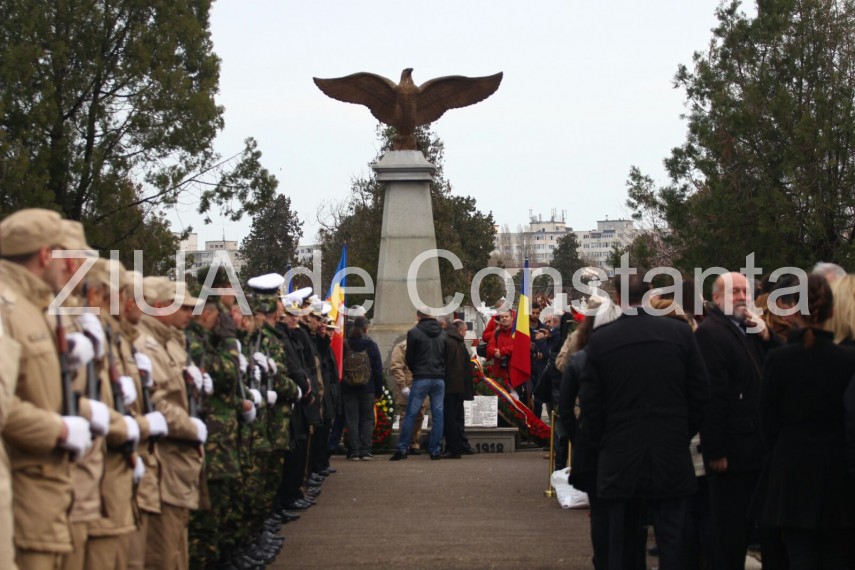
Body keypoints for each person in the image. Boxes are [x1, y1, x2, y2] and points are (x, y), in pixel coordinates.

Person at [579, 269, 709, 569]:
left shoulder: (601, 341)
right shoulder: (679, 334)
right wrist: (681, 432)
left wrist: (606, 442)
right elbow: (701, 393)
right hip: (671, 452)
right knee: (674, 538)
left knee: (623, 540)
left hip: (620, 455)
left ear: (617, 297)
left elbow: (591, 406)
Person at [0, 209, 96, 568]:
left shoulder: (37, 307)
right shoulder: (6, 306)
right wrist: (57, 428)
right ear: (45, 255)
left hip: (51, 495)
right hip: (27, 499)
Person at [750, 274, 855, 568]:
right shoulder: (846, 360)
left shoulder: (780, 361)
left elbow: (767, 420)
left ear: (795, 311)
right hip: (835, 472)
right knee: (835, 555)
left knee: (799, 555)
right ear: (832, 312)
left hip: (791, 470)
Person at [695, 272, 778, 569]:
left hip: (755, 449)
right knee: (729, 535)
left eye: (746, 291)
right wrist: (716, 451)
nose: (743, 297)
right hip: (731, 454)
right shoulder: (711, 333)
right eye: (735, 292)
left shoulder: (749, 329)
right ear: (717, 298)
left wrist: (768, 337)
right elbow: (713, 397)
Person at [390, 307, 447, 461]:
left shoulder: (414, 333)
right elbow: (446, 356)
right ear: (431, 316)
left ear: (418, 317)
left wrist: (417, 371)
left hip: (421, 377)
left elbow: (410, 357)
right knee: (438, 415)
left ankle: (402, 449)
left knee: (410, 414)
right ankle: (435, 450)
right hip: (439, 378)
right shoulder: (443, 334)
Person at [341, 315, 383, 460]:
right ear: (366, 328)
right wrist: (379, 390)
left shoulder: (345, 344)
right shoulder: (371, 345)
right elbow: (377, 369)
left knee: (352, 419)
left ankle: (354, 451)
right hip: (367, 387)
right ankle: (366, 450)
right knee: (367, 419)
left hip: (348, 387)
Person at [442, 319, 474, 458]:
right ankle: (460, 445)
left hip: (449, 386)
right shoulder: (458, 343)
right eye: (465, 330)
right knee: (457, 417)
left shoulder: (447, 341)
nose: (465, 333)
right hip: (459, 386)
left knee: (450, 418)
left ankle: (454, 448)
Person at [389, 339, 429, 454]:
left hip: (422, 384)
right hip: (408, 385)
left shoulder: (427, 344)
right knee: (405, 415)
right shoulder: (402, 346)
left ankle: (414, 444)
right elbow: (397, 367)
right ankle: (404, 444)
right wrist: (403, 386)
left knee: (420, 415)